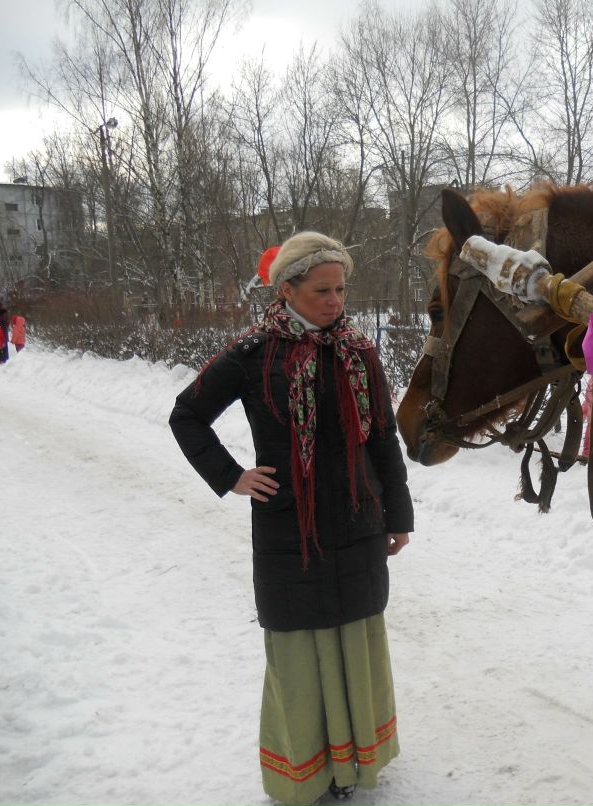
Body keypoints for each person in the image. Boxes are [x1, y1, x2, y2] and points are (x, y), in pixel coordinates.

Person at [169, 232, 414, 806]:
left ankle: (356, 764)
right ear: (287, 290)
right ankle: (305, 771)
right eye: (322, 290)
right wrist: (233, 477)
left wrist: (397, 515)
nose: (336, 301)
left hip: (358, 522)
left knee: (356, 639)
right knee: (301, 650)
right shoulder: (254, 353)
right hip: (288, 528)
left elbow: (383, 438)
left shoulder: (359, 352)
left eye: (341, 289)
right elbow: (187, 415)